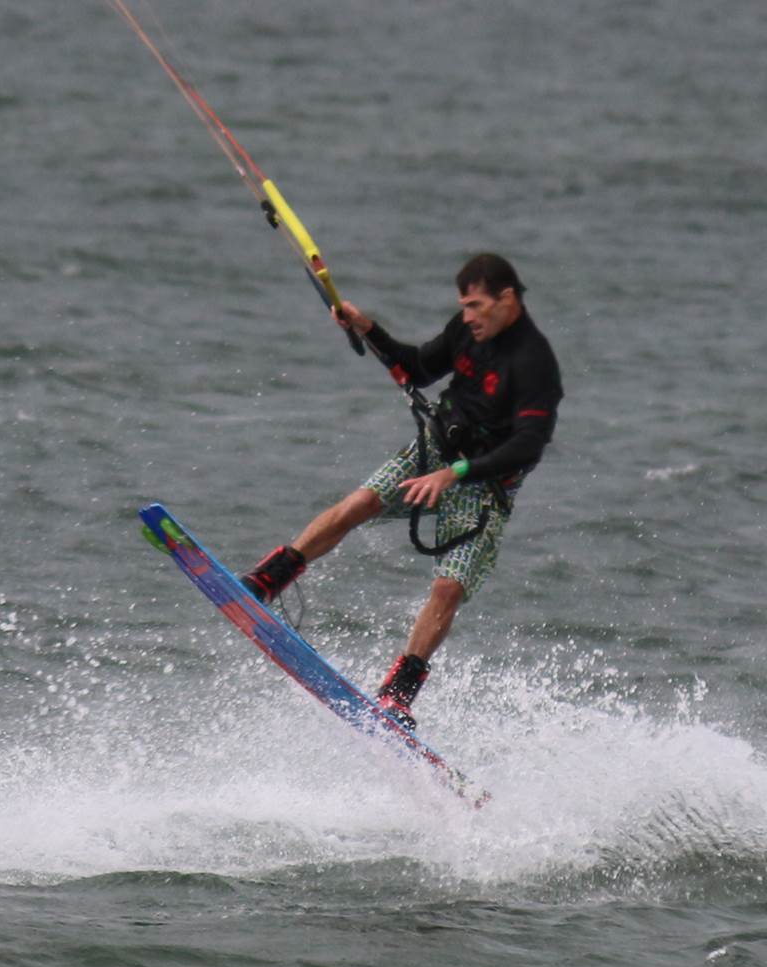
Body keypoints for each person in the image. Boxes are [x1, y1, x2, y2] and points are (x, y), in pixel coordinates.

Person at [238, 252, 562, 724]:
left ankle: (397, 694)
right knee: (360, 503)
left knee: (448, 588)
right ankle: (269, 579)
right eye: (464, 306)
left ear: (507, 299)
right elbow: (419, 368)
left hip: (483, 486)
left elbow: (527, 447)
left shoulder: (535, 365)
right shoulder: (467, 331)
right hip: (433, 449)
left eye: (475, 306)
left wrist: (456, 473)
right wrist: (368, 328)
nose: (468, 316)